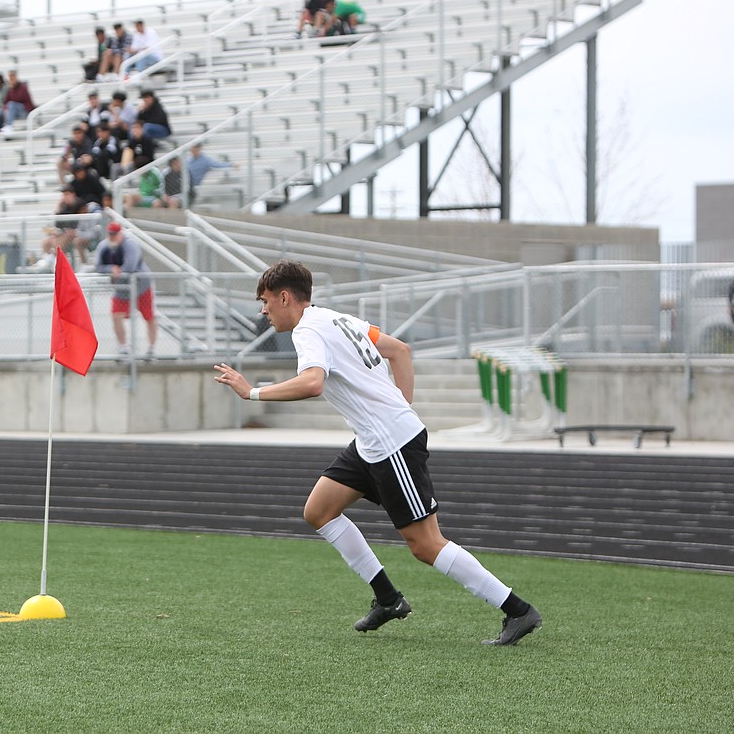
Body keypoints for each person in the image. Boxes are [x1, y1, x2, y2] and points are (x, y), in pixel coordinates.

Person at [213, 260, 543, 646]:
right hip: (374, 440)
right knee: (318, 511)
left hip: (390, 443)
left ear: (285, 297)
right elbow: (399, 351)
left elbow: (313, 382)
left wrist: (252, 392)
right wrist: (398, 409)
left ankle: (517, 610)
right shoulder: (337, 319)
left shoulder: (307, 331)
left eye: (266, 302)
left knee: (425, 545)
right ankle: (388, 599)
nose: (263, 311)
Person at [96, 221, 157, 357]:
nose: (112, 237)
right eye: (110, 234)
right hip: (122, 289)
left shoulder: (130, 244)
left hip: (140, 286)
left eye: (115, 234)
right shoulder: (104, 246)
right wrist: (111, 269)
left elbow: (130, 267)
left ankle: (151, 347)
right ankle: (123, 346)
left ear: (120, 233)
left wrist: (118, 272)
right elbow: (98, 266)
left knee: (149, 316)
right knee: (116, 315)